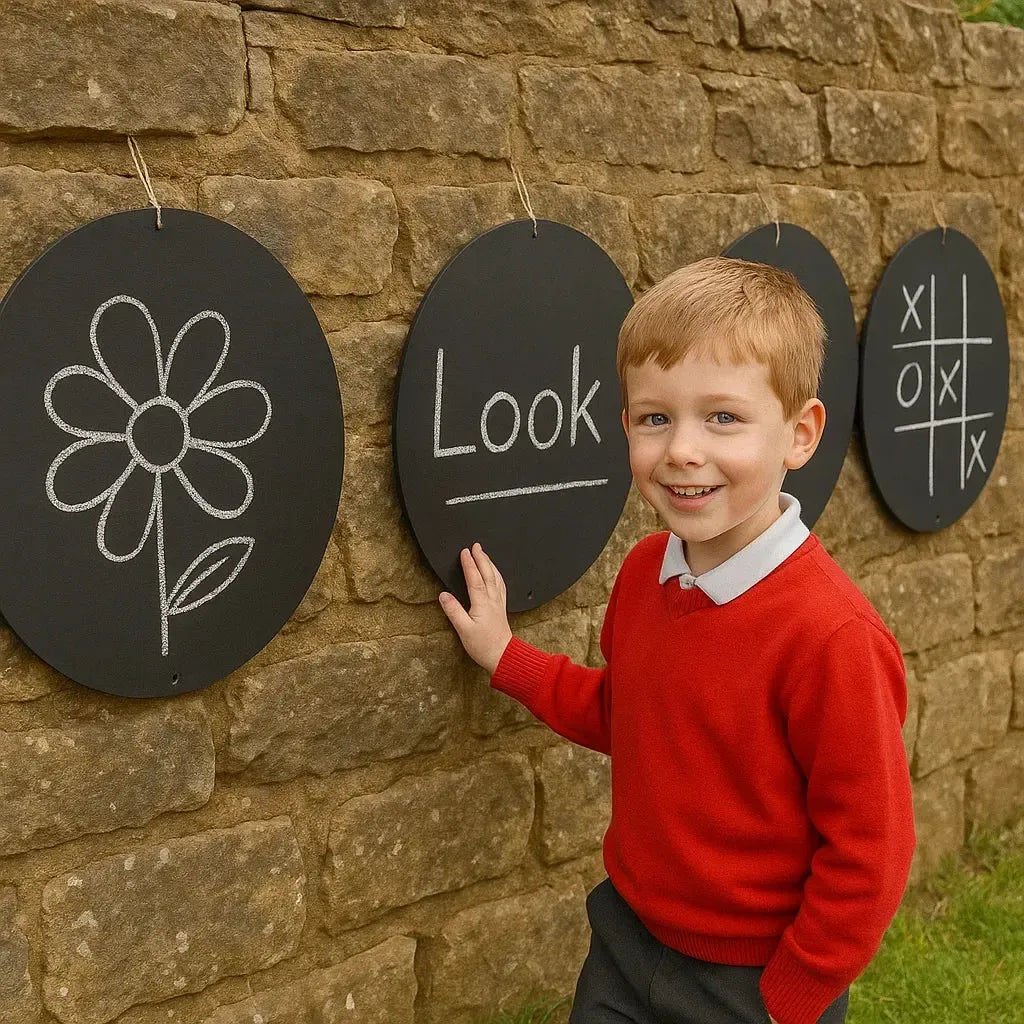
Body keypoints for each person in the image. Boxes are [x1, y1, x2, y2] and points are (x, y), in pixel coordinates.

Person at [438, 256, 916, 1024]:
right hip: (628, 938)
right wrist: (506, 656)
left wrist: (794, 993)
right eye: (656, 418)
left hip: (752, 980)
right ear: (626, 426)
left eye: (723, 418)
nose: (683, 450)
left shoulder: (831, 637)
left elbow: (871, 851)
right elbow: (629, 713)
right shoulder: (643, 575)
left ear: (800, 434)